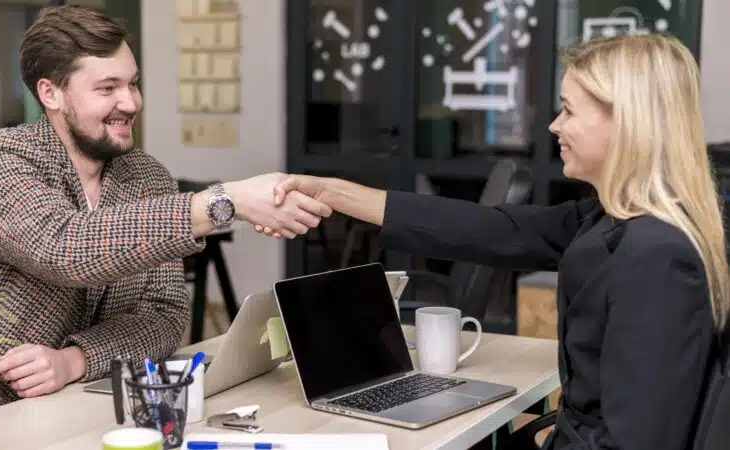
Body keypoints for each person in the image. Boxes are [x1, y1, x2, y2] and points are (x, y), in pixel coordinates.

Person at [266, 34, 728, 449]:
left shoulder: (657, 254)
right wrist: (333, 193)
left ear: (626, 123)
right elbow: (490, 228)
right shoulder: (612, 219)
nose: (553, 125)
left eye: (568, 110)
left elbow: (637, 441)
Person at [0, 6, 330, 430]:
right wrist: (225, 202)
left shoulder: (146, 176)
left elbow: (164, 317)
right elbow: (65, 248)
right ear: (50, 93)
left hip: (77, 407)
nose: (130, 102)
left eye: (132, 83)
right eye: (107, 87)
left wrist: (74, 360)